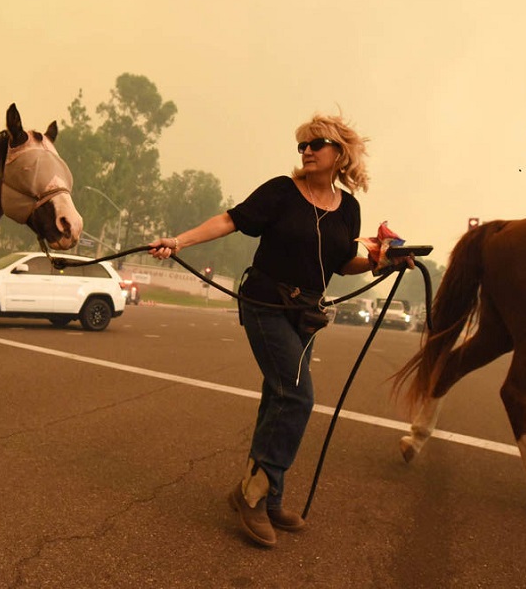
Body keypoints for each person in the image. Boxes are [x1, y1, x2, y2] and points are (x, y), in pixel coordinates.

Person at [149, 112, 409, 547]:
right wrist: (178, 241)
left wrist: (382, 261)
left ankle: (268, 499)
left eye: (316, 144)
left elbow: (343, 263)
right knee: (296, 394)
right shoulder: (281, 192)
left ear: (339, 153)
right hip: (266, 303)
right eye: (302, 146)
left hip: (306, 312)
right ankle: (253, 498)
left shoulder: (349, 207)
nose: (306, 151)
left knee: (278, 396)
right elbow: (230, 219)